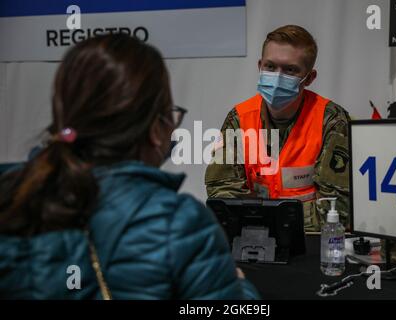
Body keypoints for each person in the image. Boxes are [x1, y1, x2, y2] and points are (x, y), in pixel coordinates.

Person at [0, 34, 258, 300]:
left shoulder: (9, 193)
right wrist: (240, 286)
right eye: (171, 113)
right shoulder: (178, 224)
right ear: (156, 129)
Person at [205, 25, 351, 231]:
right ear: (260, 66)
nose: (277, 77)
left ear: (309, 78)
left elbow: (337, 211)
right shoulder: (239, 119)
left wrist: (262, 217)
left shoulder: (332, 121)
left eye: (290, 70)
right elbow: (223, 197)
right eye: (270, 67)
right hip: (253, 242)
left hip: (313, 246)